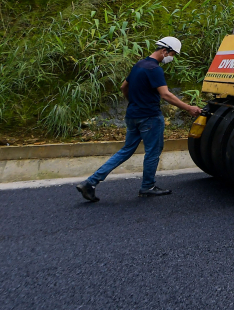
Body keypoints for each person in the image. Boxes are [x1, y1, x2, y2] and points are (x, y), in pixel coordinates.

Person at [76, 37, 203, 202]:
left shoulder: (139, 65)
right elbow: (165, 94)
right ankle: (147, 187)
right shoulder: (154, 69)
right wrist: (189, 108)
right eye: (172, 54)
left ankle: (90, 182)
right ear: (165, 51)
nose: (171, 57)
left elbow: (123, 87)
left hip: (132, 115)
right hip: (149, 117)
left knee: (126, 150)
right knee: (153, 151)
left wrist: (134, 102)